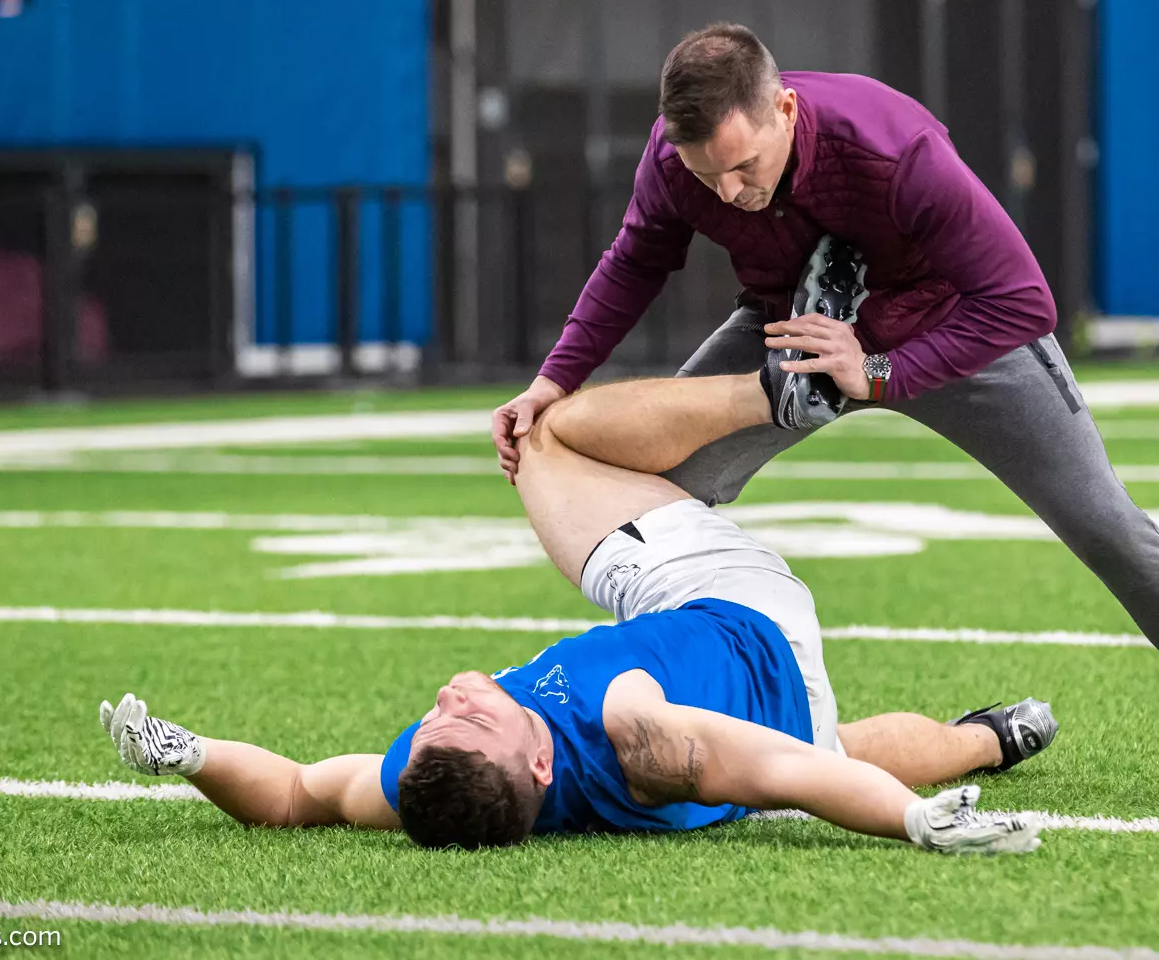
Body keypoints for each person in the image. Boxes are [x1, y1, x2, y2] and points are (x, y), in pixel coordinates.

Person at [490, 22, 1159, 806]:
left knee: (1105, 524)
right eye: (711, 176)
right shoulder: (682, 159)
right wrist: (553, 381)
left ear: (784, 108)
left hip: (948, 324)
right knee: (650, 492)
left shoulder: (893, 148)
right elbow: (637, 257)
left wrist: (882, 371)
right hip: (796, 332)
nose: (733, 192)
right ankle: (687, 716)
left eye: (745, 166)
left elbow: (1021, 299)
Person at [96, 265, 1059, 852]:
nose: (449, 698)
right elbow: (785, 777)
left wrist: (190, 756)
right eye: (472, 718)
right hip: (729, 599)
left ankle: (990, 736)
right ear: (541, 756)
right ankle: (782, 390)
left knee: (832, 736)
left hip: (776, 693)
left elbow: (300, 794)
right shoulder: (634, 729)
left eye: (436, 719)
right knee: (552, 439)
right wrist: (908, 823)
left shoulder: (446, 787)